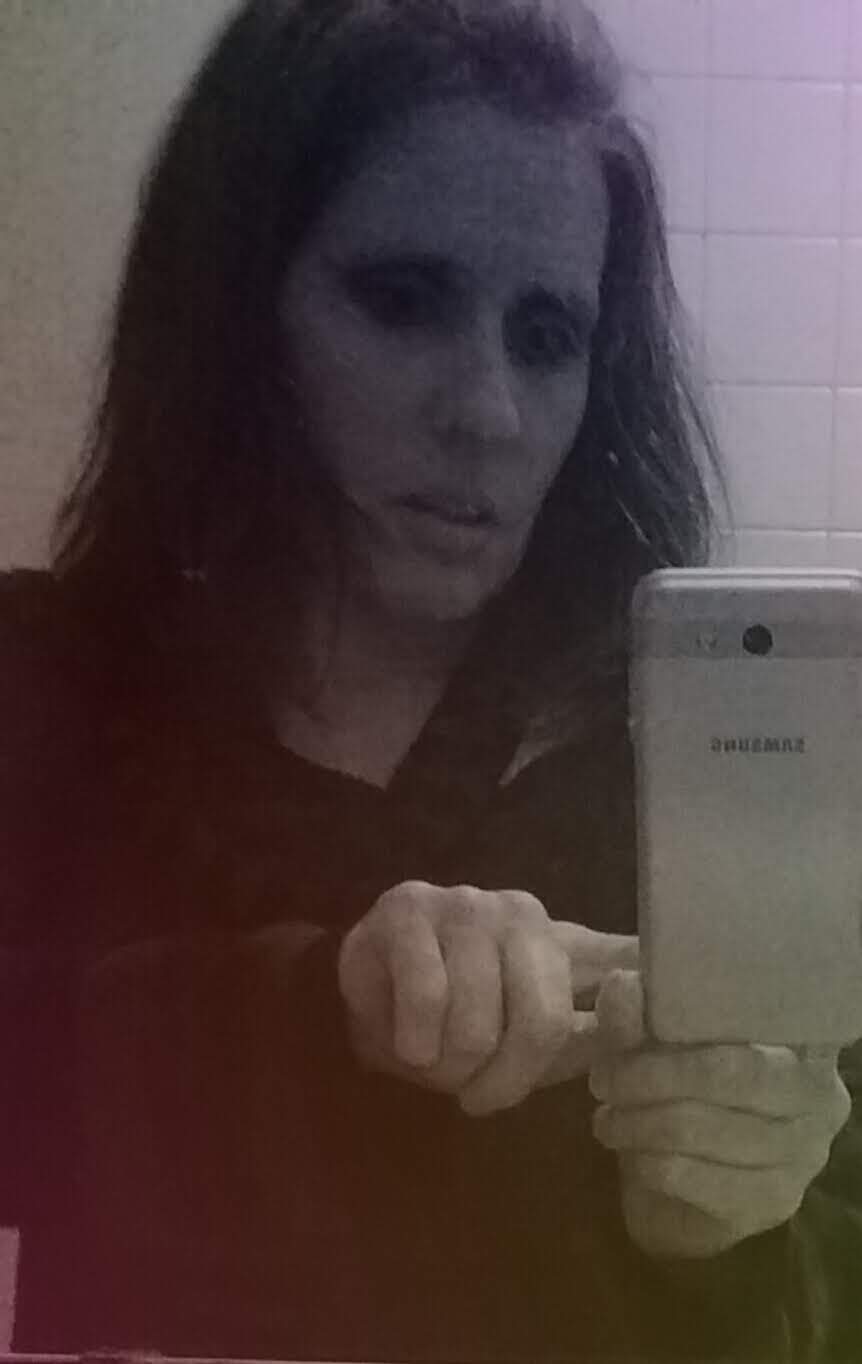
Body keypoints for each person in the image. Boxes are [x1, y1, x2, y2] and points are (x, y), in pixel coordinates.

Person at [1, 0, 860, 1358]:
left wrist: (734, 1231)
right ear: (233, 308)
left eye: (548, 335)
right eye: (401, 301)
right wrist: (326, 1006)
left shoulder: (678, 762)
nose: (488, 412)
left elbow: (825, 1296)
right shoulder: (48, 689)